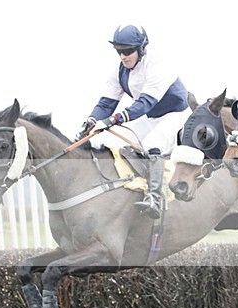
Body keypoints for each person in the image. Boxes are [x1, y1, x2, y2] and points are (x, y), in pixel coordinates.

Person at [80, 24, 190, 219]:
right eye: (119, 51)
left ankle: (156, 198)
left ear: (141, 48)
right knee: (117, 143)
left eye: (128, 51)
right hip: (151, 118)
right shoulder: (120, 71)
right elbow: (107, 102)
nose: (123, 56)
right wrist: (91, 121)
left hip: (176, 114)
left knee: (152, 143)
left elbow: (145, 103)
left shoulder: (157, 64)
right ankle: (137, 188)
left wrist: (114, 119)